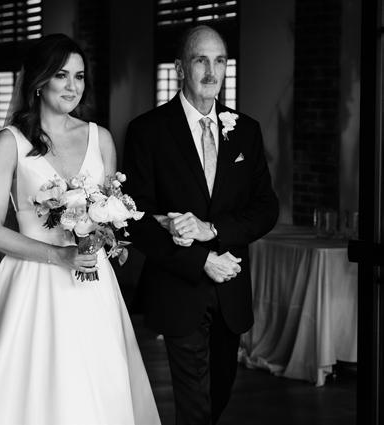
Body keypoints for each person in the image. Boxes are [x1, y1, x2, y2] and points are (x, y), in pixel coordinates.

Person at [0, 34, 160, 425]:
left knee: (97, 385)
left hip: (91, 285)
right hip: (32, 281)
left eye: (79, 76)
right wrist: (58, 255)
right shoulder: (10, 143)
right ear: (38, 81)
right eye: (61, 75)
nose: (72, 86)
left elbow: (110, 210)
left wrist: (102, 233)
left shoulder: (100, 138)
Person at [123, 25, 279, 425]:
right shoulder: (147, 131)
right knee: (194, 405)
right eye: (201, 60)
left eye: (220, 61)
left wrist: (214, 231)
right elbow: (136, 220)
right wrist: (200, 260)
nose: (211, 72)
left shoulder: (246, 130)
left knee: (218, 395)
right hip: (178, 287)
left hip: (231, 286)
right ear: (180, 68)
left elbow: (266, 209)